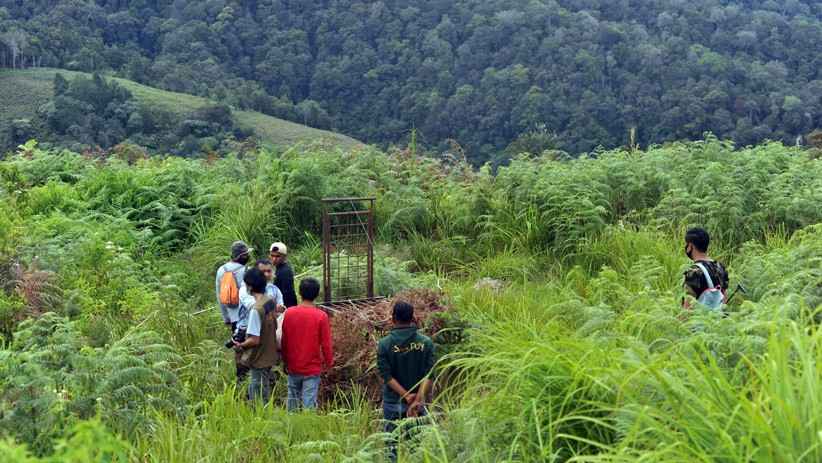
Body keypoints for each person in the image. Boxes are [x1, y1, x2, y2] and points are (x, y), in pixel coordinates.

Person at [377, 300, 436, 461]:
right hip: (417, 406)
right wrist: (416, 400)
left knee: (391, 448)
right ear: (413, 318)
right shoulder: (426, 342)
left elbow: (386, 375)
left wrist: (406, 396)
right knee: (416, 449)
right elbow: (429, 375)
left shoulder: (384, 344)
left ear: (393, 318)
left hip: (392, 402)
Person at [279, 277, 333, 412]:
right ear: (317, 294)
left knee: (292, 399)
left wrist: (284, 361)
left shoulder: (290, 313)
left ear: (299, 292)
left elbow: (284, 340)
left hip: (293, 366)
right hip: (312, 368)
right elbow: (326, 344)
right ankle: (307, 431)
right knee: (309, 402)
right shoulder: (321, 316)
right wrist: (329, 365)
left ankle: (291, 428)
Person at [233, 267, 279, 405]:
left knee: (259, 395)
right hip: (269, 354)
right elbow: (274, 325)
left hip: (258, 358)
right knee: (257, 388)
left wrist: (240, 345)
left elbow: (254, 339)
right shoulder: (270, 300)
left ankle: (261, 419)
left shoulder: (255, 310)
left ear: (250, 286)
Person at [682, 227, 729, 310]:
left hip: (698, 321)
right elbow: (723, 301)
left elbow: (687, 308)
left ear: (690, 246)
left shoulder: (694, 272)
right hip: (717, 321)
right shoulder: (720, 267)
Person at [215, 240, 252, 334]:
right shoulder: (247, 271)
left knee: (237, 343)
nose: (248, 257)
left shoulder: (221, 270)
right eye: (246, 254)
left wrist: (226, 318)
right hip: (248, 317)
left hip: (232, 317)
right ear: (241, 256)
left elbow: (220, 296)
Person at [269, 242, 298, 308]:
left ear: (285, 256)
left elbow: (289, 294)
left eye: (277, 256)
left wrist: (285, 310)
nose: (274, 259)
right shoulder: (279, 267)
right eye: (272, 255)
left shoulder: (285, 271)